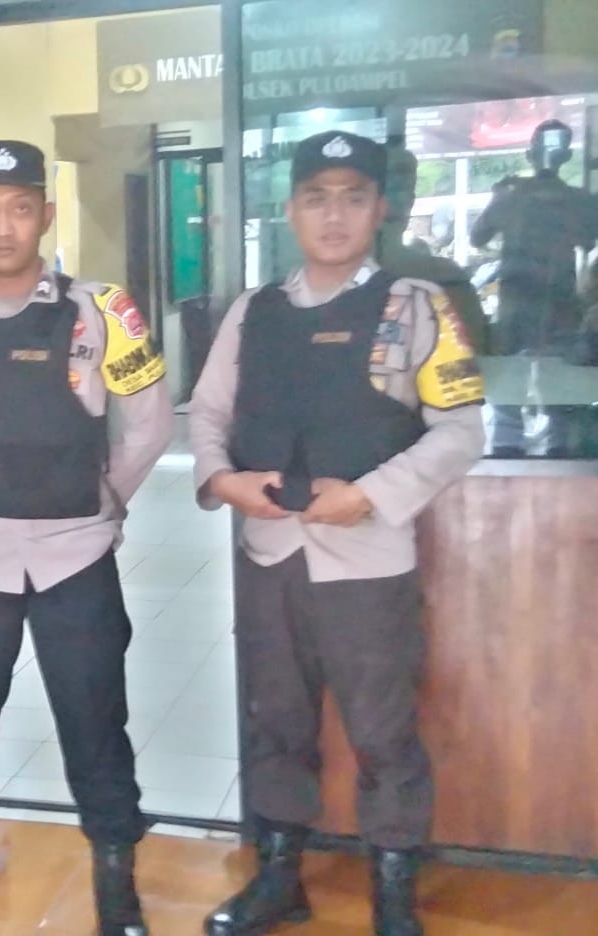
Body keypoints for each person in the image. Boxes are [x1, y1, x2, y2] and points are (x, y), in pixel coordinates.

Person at [189, 130, 485, 936]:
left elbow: (461, 429)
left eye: (353, 198)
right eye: (316, 198)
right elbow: (208, 413)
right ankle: (279, 877)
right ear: (290, 210)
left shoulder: (416, 306)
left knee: (383, 731)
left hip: (367, 563)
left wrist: (373, 496)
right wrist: (220, 479)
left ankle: (393, 895)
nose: (334, 215)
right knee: (276, 723)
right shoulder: (254, 311)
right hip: (269, 556)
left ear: (380, 209)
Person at [0, 140, 173, 936]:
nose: (4, 226)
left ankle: (115, 875)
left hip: (74, 556)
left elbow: (150, 422)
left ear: (45, 214)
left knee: (95, 720)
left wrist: (100, 498)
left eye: (19, 208)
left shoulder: (102, 309)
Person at [470, 119, 598, 355]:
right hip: (551, 310)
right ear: (567, 156)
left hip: (536, 310)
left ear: (529, 155)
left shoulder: (513, 197)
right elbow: (590, 241)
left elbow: (477, 237)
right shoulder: (577, 200)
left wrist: (500, 199)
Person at [377, 146, 488, 353]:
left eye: (400, 187)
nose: (394, 198)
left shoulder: (446, 279)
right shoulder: (444, 276)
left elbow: (470, 356)